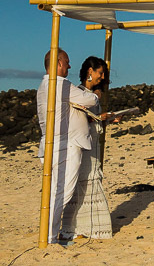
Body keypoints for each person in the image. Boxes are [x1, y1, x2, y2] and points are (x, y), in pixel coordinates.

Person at [35, 48, 100, 244]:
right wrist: (96, 93)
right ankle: (49, 236)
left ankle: (48, 233)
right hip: (65, 145)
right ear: (59, 63)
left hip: (50, 144)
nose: (70, 66)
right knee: (62, 192)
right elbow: (88, 99)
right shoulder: (60, 84)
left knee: (54, 190)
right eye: (67, 62)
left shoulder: (43, 87)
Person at [61, 56, 113, 239]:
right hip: (82, 144)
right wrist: (98, 117)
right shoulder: (78, 92)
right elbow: (78, 118)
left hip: (93, 144)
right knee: (82, 181)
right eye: (100, 72)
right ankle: (74, 227)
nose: (102, 76)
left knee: (90, 180)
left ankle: (88, 226)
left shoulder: (95, 95)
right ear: (90, 72)